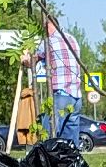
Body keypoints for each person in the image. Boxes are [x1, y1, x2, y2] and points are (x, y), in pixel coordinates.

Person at [22, 16, 84, 144]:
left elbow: (31, 62)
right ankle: (71, 163)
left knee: (47, 135)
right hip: (76, 97)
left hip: (61, 96)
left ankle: (45, 162)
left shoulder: (48, 42)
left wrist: (25, 59)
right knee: (70, 143)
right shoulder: (71, 39)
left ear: (46, 26)